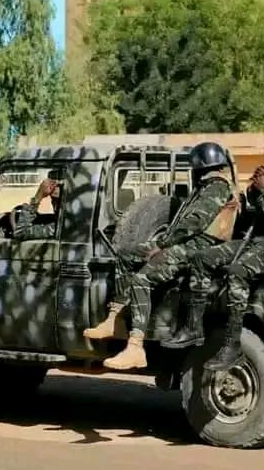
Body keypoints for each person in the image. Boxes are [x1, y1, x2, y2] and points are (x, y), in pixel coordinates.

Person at [162, 129, 264, 371]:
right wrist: (256, 187)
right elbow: (260, 206)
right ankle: (193, 327)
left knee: (237, 272)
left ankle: (232, 345)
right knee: (202, 259)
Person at [82, 141, 241, 370]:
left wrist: (162, 243)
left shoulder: (217, 186)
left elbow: (196, 223)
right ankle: (114, 318)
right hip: (186, 242)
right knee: (126, 255)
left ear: (199, 167)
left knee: (141, 280)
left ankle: (135, 347)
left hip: (197, 246)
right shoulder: (208, 186)